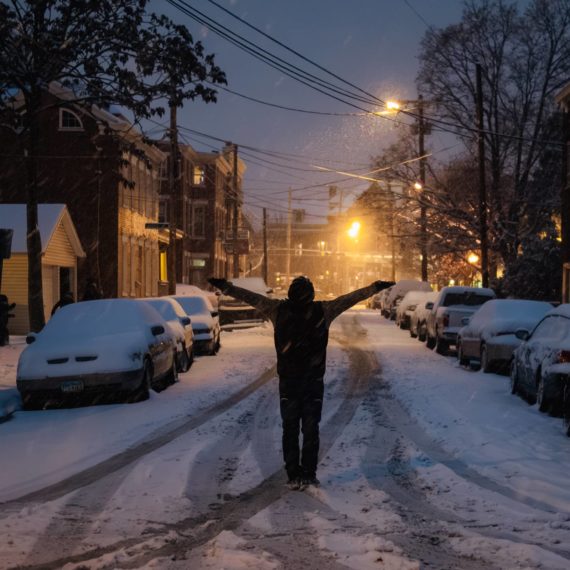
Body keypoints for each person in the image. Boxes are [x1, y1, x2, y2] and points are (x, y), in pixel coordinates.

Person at [208, 275, 394, 490]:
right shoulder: (322, 311)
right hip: (312, 382)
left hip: (289, 382)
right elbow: (349, 299)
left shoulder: (277, 310)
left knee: (290, 428)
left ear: (290, 293)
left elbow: (250, 297)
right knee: (310, 428)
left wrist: (227, 287)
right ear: (311, 294)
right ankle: (308, 472)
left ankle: (293, 472)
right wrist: (374, 288)